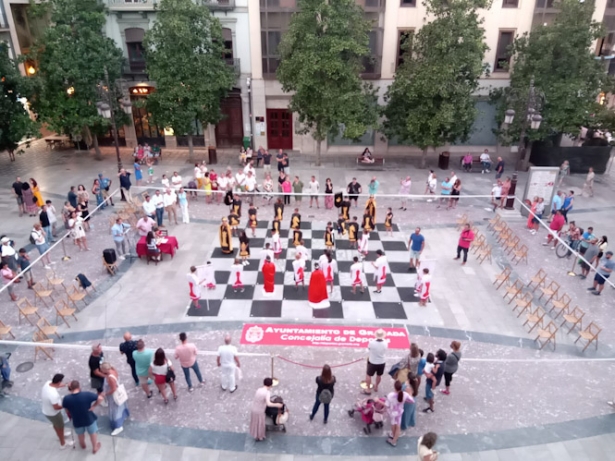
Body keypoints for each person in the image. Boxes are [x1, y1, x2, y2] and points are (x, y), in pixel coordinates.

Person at [62, 380, 103, 454]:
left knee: (80, 434)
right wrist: (94, 406)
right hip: (89, 418)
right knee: (92, 433)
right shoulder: (87, 395)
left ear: (70, 388)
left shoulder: (66, 398)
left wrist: (70, 414)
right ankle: (94, 447)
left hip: (77, 419)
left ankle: (83, 445)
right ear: (79, 386)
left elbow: (66, 409)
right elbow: (100, 398)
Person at [41, 373, 73, 449]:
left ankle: (60, 435)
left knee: (56, 425)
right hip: (53, 413)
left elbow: (57, 385)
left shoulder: (48, 383)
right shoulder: (53, 394)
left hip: (46, 410)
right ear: (59, 381)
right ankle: (63, 443)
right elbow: (56, 407)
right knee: (60, 426)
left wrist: (66, 385)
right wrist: (66, 405)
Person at [100, 362, 129, 436]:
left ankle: (118, 426)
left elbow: (113, 389)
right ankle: (123, 417)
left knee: (115, 410)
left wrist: (105, 393)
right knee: (120, 407)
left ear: (105, 369)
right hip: (118, 394)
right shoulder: (113, 370)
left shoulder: (110, 378)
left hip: (113, 396)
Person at [385, 380, 413, 447]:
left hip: (392, 412)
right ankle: (394, 440)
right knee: (398, 426)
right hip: (399, 412)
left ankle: (393, 437)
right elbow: (412, 401)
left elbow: (387, 405)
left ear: (394, 387)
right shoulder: (405, 394)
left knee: (393, 424)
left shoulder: (390, 395)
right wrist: (410, 394)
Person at [363, 329, 387, 394]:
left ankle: (368, 389)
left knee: (368, 375)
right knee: (379, 375)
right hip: (382, 362)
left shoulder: (372, 343)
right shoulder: (385, 342)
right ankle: (376, 386)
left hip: (373, 362)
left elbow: (369, 349)